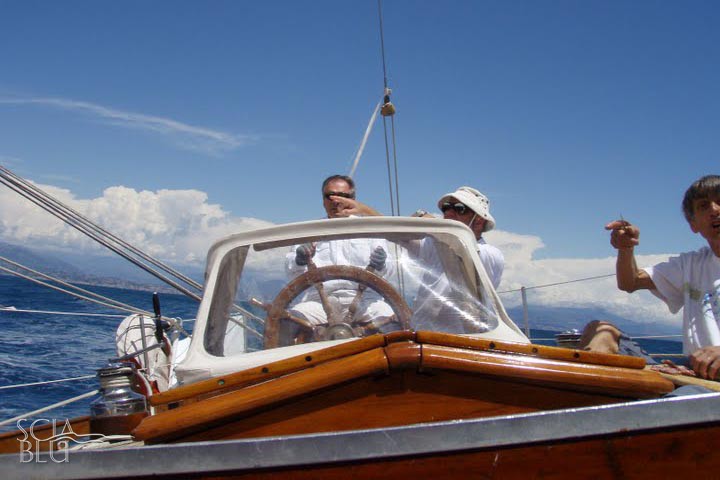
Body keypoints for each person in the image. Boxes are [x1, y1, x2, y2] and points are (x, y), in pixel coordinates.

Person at [591, 174, 720, 380]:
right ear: (693, 224)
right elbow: (630, 282)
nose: (714, 210)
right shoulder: (691, 265)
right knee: (600, 331)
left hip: (709, 387)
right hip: (694, 373)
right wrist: (626, 248)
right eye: (704, 206)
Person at [283, 175, 395, 340]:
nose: (336, 201)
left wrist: (382, 263)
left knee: (394, 327)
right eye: (330, 195)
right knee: (284, 324)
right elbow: (292, 273)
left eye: (343, 196)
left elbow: (389, 270)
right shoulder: (308, 231)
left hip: (367, 301)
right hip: (318, 302)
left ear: (353, 200)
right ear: (323, 200)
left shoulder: (370, 229)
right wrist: (299, 260)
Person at [436, 187, 504, 289]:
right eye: (446, 207)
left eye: (459, 209)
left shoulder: (491, 254)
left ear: (479, 221)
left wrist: (428, 223)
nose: (448, 213)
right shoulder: (435, 243)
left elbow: (462, 250)